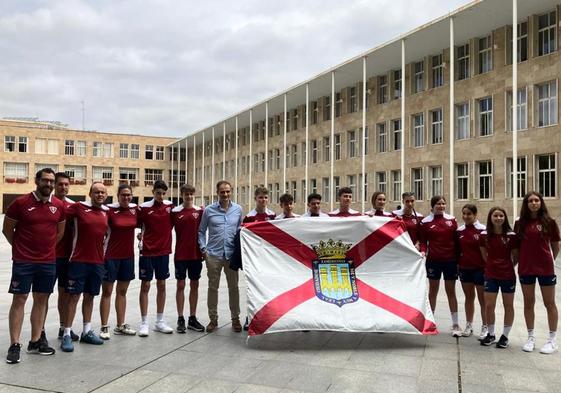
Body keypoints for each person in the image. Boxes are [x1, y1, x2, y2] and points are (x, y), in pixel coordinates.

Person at [3, 168, 65, 363]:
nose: (49, 184)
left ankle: (35, 341)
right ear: (37, 181)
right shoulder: (20, 203)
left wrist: (46, 250)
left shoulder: (58, 205)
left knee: (41, 300)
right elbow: (7, 230)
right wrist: (21, 249)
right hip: (23, 261)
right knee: (20, 299)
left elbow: (59, 233)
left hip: (47, 262)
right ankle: (15, 344)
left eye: (51, 181)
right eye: (45, 181)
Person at [61, 182, 109, 352]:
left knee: (90, 297)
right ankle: (66, 333)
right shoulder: (78, 208)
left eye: (103, 192)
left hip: (97, 263)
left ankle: (86, 331)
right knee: (73, 297)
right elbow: (59, 215)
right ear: (90, 193)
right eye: (96, 192)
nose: (100, 195)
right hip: (78, 261)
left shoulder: (106, 212)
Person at [515, 191, 560, 354]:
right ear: (526, 204)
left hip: (545, 268)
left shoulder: (550, 222)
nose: (534, 203)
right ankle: (530, 337)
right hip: (526, 267)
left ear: (541, 202)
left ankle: (552, 339)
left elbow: (555, 245)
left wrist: (549, 260)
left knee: (549, 303)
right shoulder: (519, 223)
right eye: (530, 201)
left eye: (537, 200)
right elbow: (517, 248)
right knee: (528, 302)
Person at [198, 180, 243, 333]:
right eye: (222, 192)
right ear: (217, 193)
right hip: (213, 255)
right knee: (212, 288)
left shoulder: (238, 210)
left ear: (231, 192)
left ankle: (235, 318)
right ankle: (213, 319)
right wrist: (204, 250)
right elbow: (201, 231)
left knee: (234, 288)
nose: (225, 194)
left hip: (231, 256)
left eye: (228, 191)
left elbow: (240, 232)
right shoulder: (209, 210)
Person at [99, 184, 137, 340]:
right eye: (123, 195)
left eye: (129, 195)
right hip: (110, 257)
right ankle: (104, 326)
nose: (126, 198)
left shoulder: (135, 210)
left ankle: (120, 325)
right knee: (107, 292)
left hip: (128, 257)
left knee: (122, 292)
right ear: (118, 195)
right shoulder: (109, 210)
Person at [419, 195, 462, 337]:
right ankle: (430, 322)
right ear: (432, 206)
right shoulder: (425, 222)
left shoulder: (451, 220)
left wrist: (458, 260)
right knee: (433, 291)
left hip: (450, 261)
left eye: (443, 203)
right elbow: (423, 242)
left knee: (451, 292)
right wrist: (423, 252)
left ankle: (455, 324)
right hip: (433, 261)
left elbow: (457, 242)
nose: (441, 206)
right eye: (438, 204)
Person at [137, 180, 175, 337]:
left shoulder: (170, 207)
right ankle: (144, 322)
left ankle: (159, 321)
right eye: (158, 193)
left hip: (163, 252)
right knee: (145, 286)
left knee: (162, 285)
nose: (160, 196)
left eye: (163, 193)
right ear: (153, 192)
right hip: (147, 252)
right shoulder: (144, 208)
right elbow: (137, 226)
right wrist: (141, 236)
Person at [479, 207, 518, 348]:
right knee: (489, 305)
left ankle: (505, 336)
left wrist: (506, 266)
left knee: (508, 305)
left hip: (508, 275)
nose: (498, 218)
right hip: (491, 275)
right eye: (495, 215)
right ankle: (491, 334)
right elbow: (484, 254)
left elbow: (516, 256)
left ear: (505, 218)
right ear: (490, 217)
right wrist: (492, 265)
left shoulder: (512, 235)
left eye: (501, 215)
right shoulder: (484, 235)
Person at [171, 184, 205, 333]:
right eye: (186, 194)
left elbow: (204, 231)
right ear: (182, 194)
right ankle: (180, 318)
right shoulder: (175, 212)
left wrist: (205, 249)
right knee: (180, 285)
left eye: (191, 194)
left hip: (196, 254)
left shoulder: (200, 211)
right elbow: (162, 229)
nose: (189, 197)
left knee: (194, 285)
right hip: (181, 254)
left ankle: (192, 317)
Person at [53, 172, 79, 341]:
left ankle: (63, 327)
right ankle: (39, 331)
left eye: (66, 184)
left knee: (65, 293)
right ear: (55, 185)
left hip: (67, 257)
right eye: (60, 184)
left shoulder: (74, 207)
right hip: (48, 257)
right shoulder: (49, 204)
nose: (63, 187)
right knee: (43, 294)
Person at [456, 204, 487, 339]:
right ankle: (469, 325)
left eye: (469, 214)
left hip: (480, 269)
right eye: (464, 213)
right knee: (469, 298)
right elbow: (457, 251)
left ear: (475, 215)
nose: (466, 216)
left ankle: (485, 327)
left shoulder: (483, 230)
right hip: (465, 269)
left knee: (483, 300)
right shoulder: (459, 231)